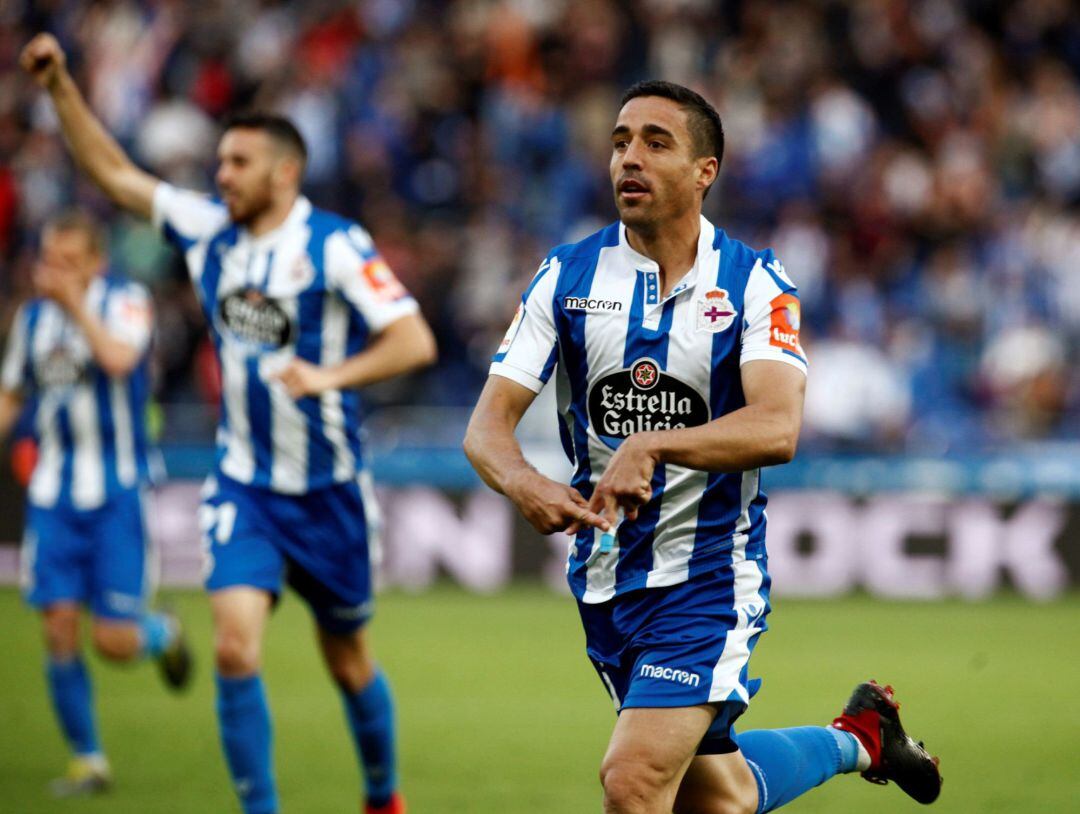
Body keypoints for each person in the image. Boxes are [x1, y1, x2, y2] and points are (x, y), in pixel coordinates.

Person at [464, 80, 942, 814]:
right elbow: (486, 427)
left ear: (703, 172)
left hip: (708, 580)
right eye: (621, 140)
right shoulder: (566, 275)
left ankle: (859, 738)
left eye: (657, 143)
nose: (630, 157)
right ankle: (862, 738)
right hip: (606, 580)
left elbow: (777, 426)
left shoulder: (756, 283)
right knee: (715, 795)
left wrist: (653, 444)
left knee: (632, 781)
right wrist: (522, 481)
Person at [22, 32, 437, 814]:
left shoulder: (334, 245)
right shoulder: (208, 227)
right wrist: (60, 85)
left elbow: (415, 339)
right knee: (235, 647)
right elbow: (112, 172)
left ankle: (383, 795)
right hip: (245, 484)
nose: (221, 175)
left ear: (285, 171)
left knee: (349, 663)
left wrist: (330, 374)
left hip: (330, 492)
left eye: (237, 163)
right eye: (219, 162)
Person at [0, 209, 192, 797]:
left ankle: (162, 634)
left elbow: (118, 360)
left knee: (111, 641)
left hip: (117, 492)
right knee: (57, 625)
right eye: (47, 260)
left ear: (95, 265)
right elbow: (11, 395)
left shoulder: (125, 302)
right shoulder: (30, 322)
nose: (52, 273)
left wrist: (76, 305)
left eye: (68, 263)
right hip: (54, 495)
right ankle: (89, 761)